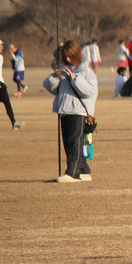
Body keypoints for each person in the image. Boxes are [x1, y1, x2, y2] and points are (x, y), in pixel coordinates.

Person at [43, 40, 97, 183]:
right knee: (68, 143)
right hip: (64, 110)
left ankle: (73, 173)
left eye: (70, 56)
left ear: (76, 54)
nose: (67, 59)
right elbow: (50, 87)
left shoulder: (86, 72)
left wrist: (74, 78)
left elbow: (90, 91)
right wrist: (55, 77)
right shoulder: (63, 69)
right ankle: (83, 170)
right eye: (65, 56)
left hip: (79, 112)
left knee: (75, 142)